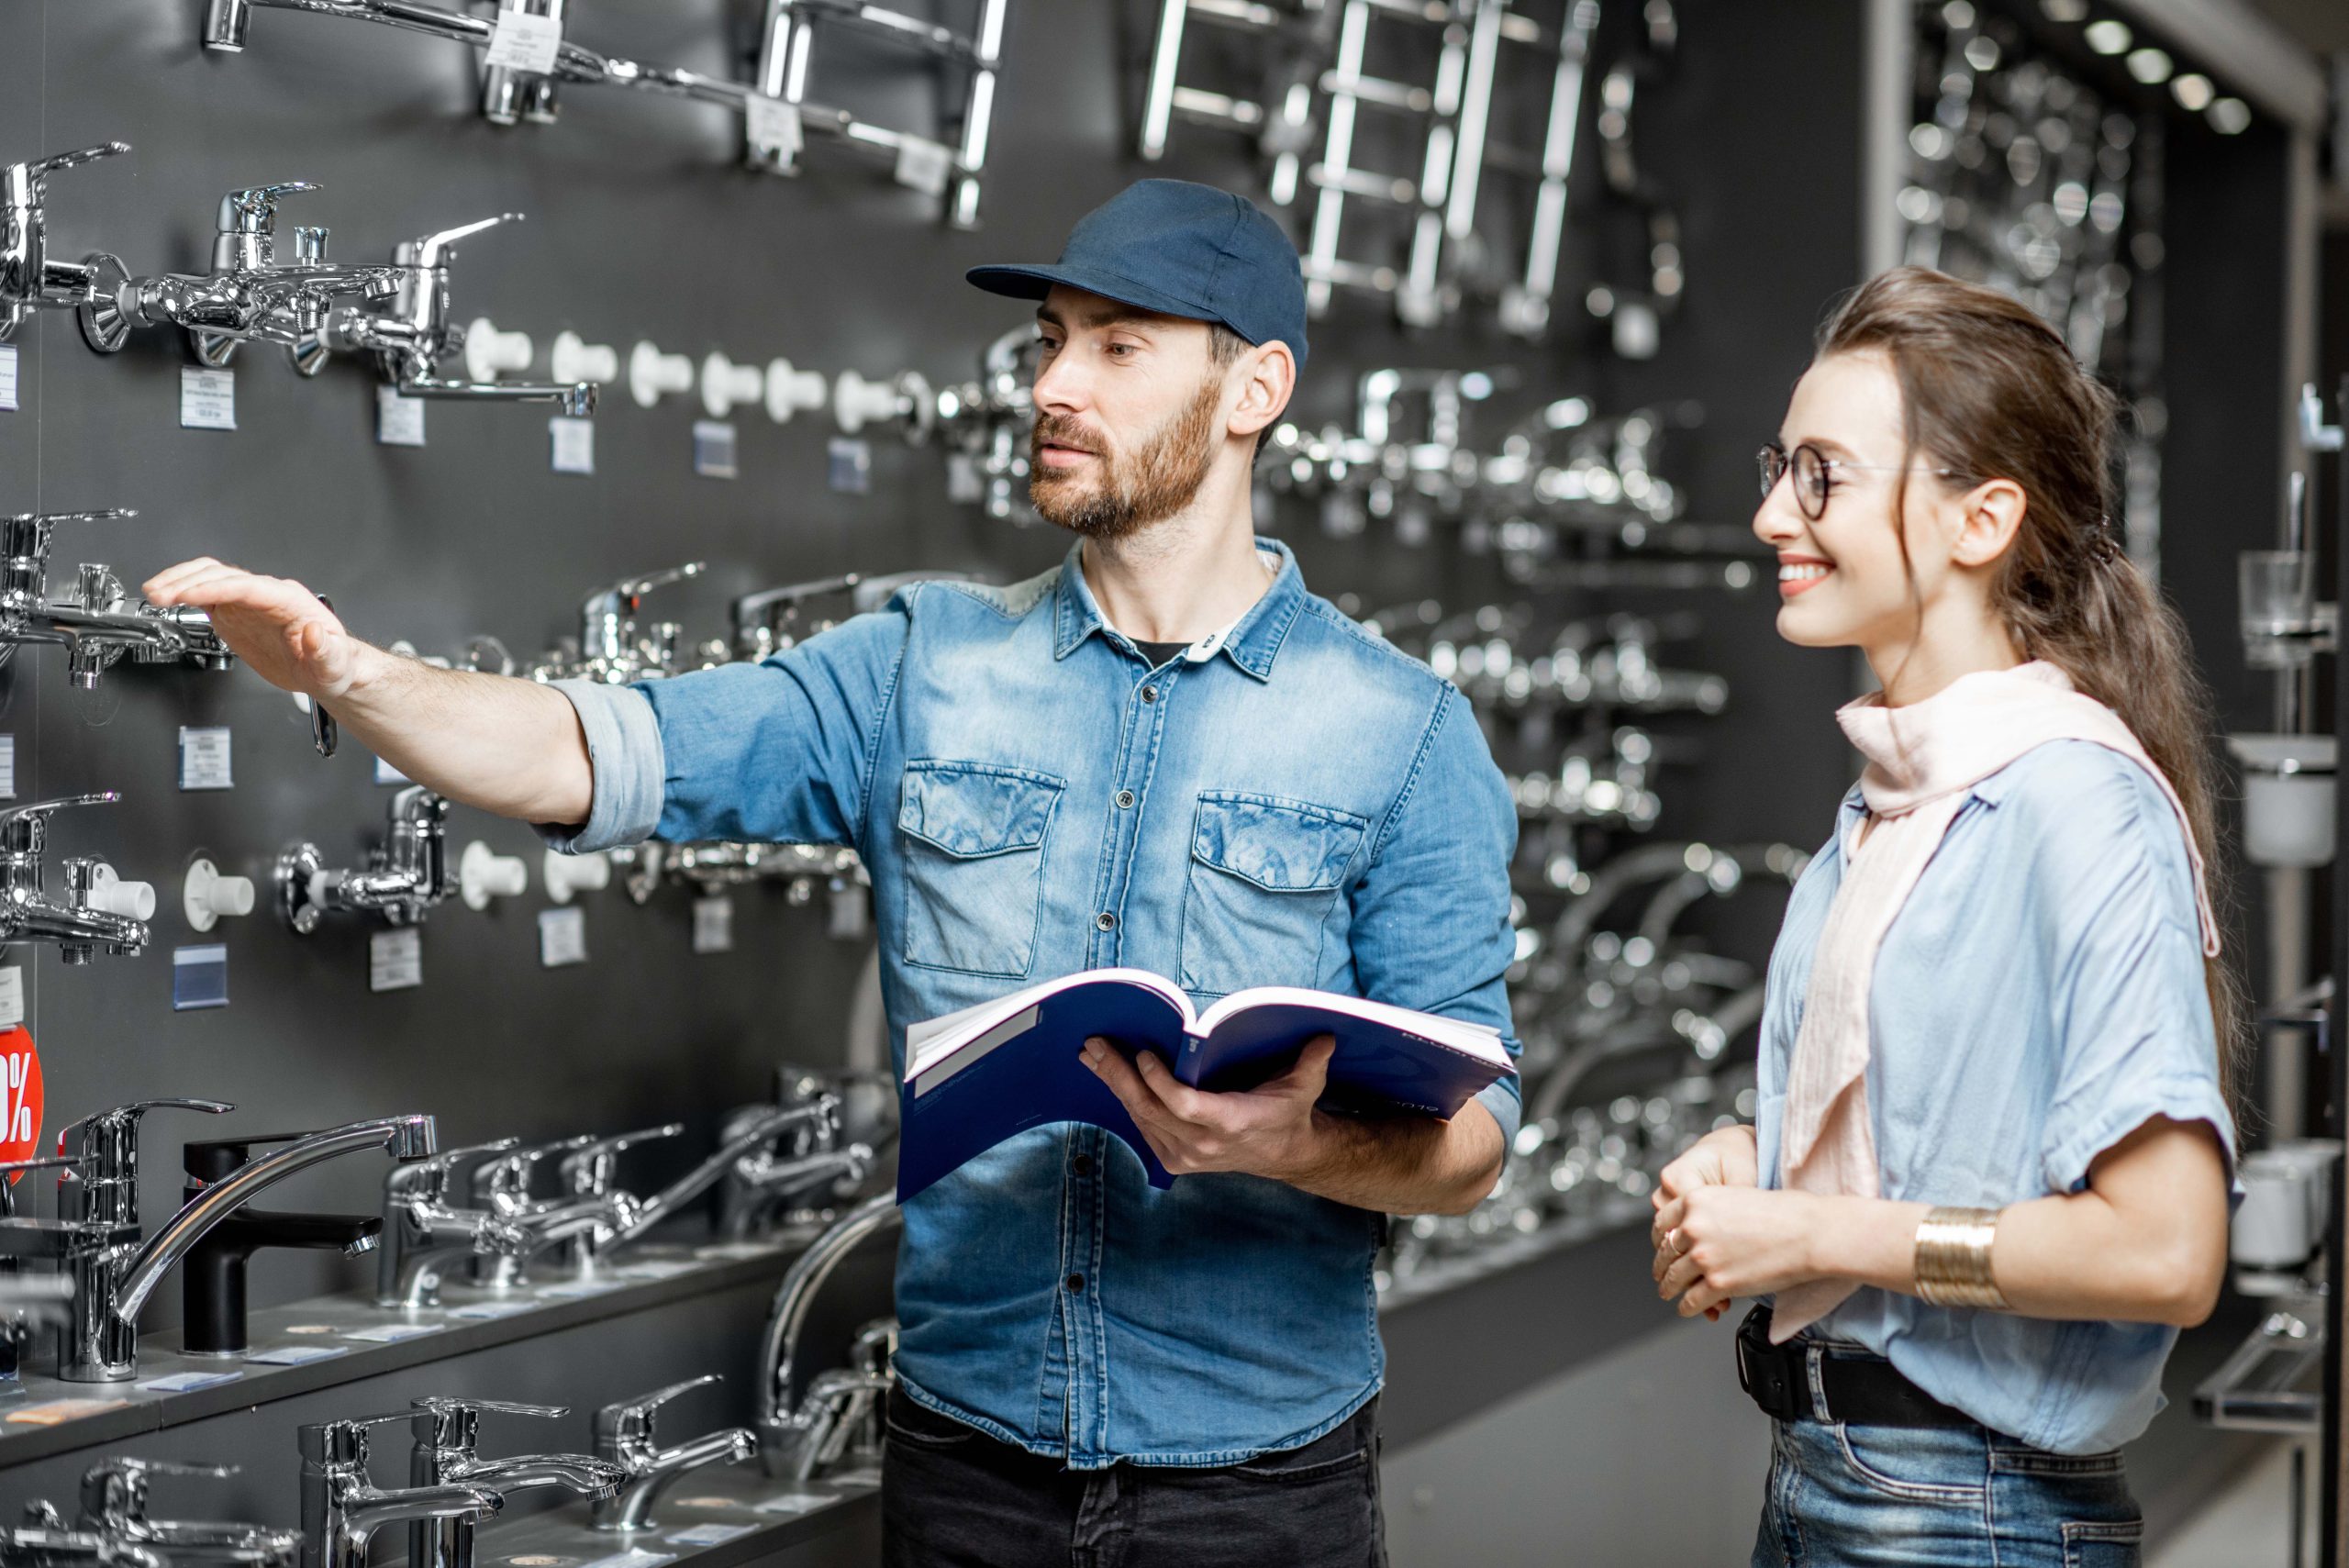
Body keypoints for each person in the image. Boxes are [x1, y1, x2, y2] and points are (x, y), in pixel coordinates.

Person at [142, 178, 1521, 1568]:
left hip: (1262, 1489)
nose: (1053, 383)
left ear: (1253, 390)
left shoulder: (1402, 733)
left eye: (1116, 345)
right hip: (969, 1472)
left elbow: (1472, 1147)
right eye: (1048, 339)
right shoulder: (915, 664)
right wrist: (353, 674)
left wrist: (1298, 1142)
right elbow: (603, 750)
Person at [1648, 265, 2239, 1568]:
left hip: (1970, 1512)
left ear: (1982, 521)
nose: (1767, 517)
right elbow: (1956, 1131)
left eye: (1821, 476)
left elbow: (2168, 1246)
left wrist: (1814, 1229)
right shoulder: (1895, 802)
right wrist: (1761, 1155)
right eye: (1777, 468)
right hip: (1834, 1475)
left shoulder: (2075, 801)